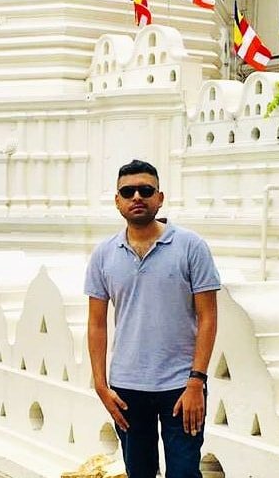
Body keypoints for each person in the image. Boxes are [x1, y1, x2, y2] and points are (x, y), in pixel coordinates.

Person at [85, 159, 220, 478]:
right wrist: (101, 385)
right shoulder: (104, 254)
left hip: (181, 386)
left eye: (145, 190)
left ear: (159, 198)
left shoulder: (190, 247)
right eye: (127, 191)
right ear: (116, 201)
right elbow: (96, 324)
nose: (137, 197)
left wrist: (196, 381)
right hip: (126, 389)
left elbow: (208, 317)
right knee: (139, 472)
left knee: (184, 473)